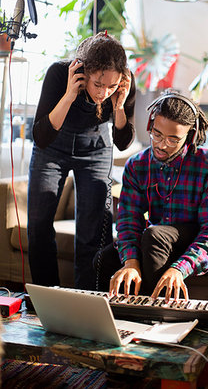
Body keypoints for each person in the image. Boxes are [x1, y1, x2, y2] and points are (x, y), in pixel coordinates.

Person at [94, 91, 208, 301]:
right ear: (151, 125)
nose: (161, 145)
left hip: (205, 245)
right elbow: (128, 220)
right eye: (157, 134)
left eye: (173, 139)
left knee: (154, 235)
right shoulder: (137, 165)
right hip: (160, 245)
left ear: (191, 135)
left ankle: (158, 318)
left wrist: (180, 269)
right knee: (104, 259)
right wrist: (131, 262)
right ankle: (110, 319)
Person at [27, 31, 136, 290]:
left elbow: (123, 141)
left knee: (94, 231)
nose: (104, 92)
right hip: (52, 147)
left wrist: (119, 106)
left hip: (95, 150)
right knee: (39, 227)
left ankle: (87, 299)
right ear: (84, 72)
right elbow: (41, 137)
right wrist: (68, 95)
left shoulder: (122, 87)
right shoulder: (58, 74)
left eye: (111, 86)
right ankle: (48, 297)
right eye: (98, 84)